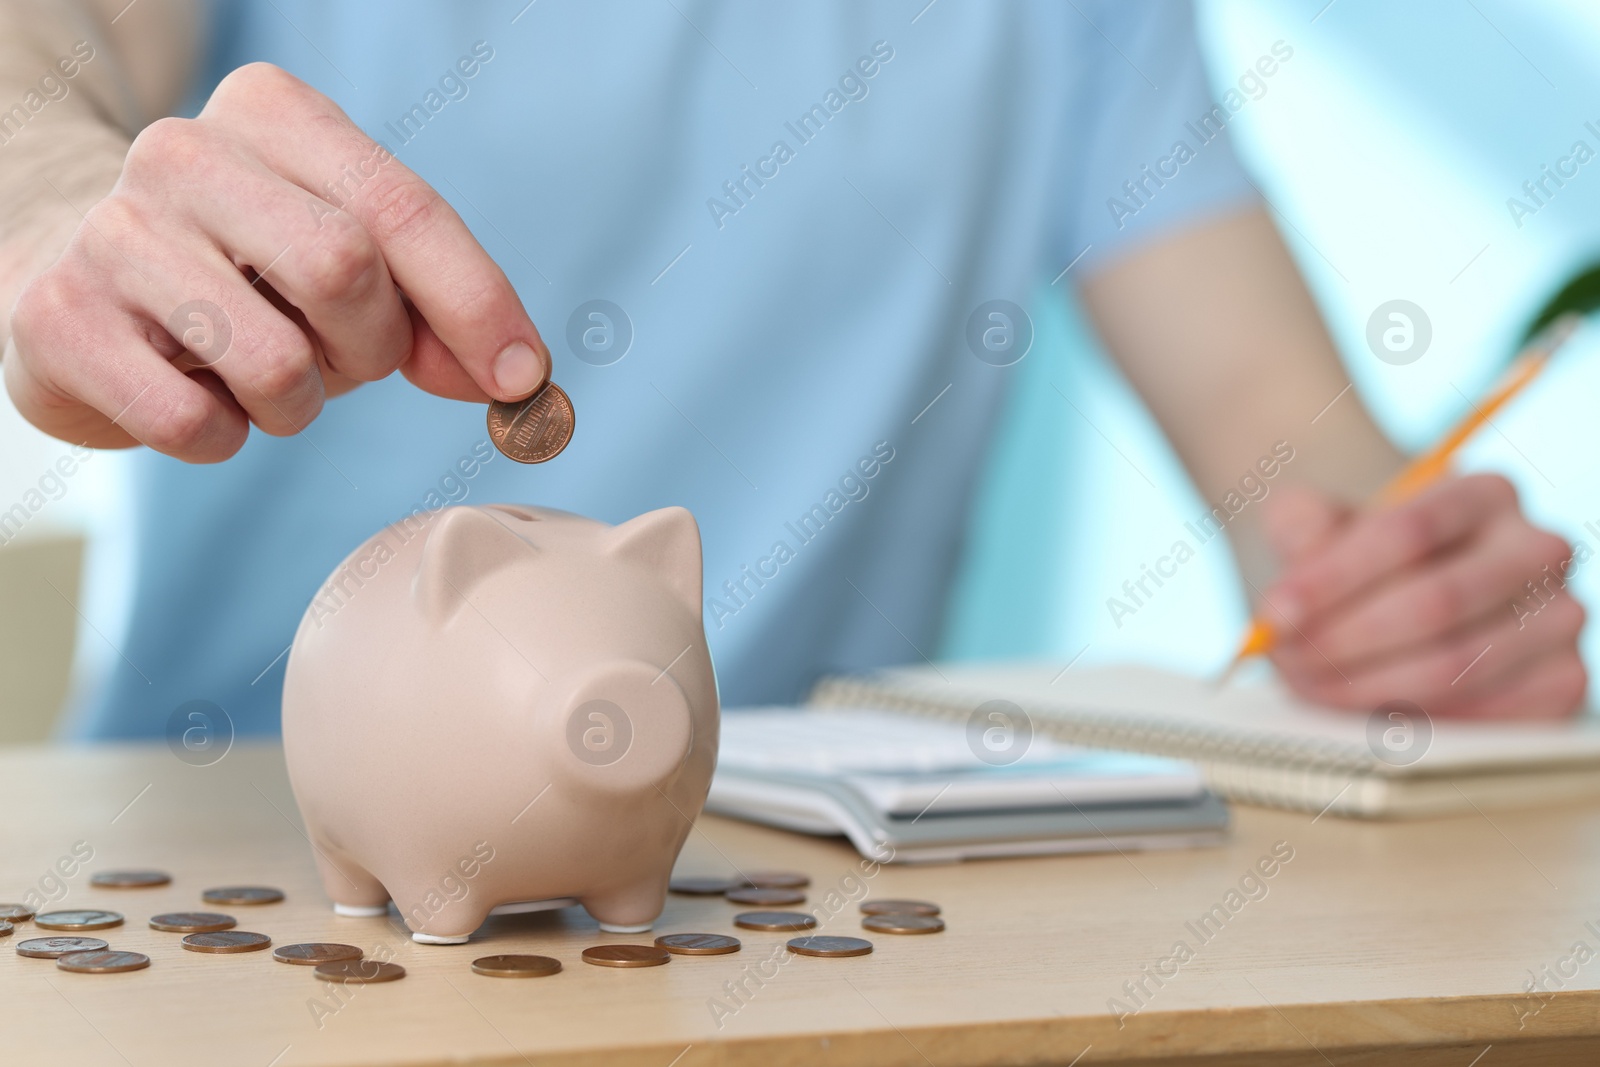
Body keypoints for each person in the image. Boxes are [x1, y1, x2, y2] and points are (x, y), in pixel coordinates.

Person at [0, 0, 1584, 738]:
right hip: (233, 877)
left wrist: (1420, 604)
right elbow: (47, 45)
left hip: (785, 915)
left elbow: (1289, 445)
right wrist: (60, 198)